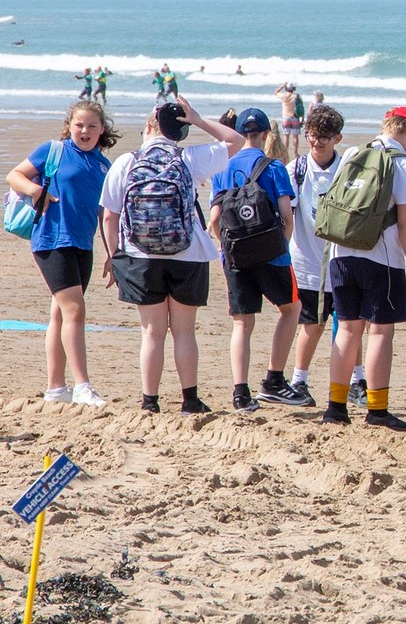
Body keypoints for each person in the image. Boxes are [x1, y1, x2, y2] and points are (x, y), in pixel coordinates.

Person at [97, 99, 238, 413]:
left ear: (149, 126)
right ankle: (190, 400)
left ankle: (150, 401)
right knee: (184, 331)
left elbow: (109, 216)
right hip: (189, 254)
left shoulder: (127, 161)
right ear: (180, 132)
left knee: (152, 332)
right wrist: (199, 120)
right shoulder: (189, 158)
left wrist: (114, 255)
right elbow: (235, 141)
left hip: (140, 255)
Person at [322, 107, 406, 428]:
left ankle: (336, 408)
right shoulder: (404, 165)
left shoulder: (353, 153)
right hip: (381, 258)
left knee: (347, 329)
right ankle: (377, 411)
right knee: (380, 331)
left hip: (340, 254)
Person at [8, 99, 116, 408]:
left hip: (83, 245)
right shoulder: (53, 150)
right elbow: (14, 175)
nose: (85, 131)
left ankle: (56, 388)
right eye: (79, 125)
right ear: (70, 127)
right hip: (52, 240)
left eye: (92, 126)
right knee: (75, 310)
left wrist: (111, 253)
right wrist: (35, 191)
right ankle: (82, 385)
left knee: (60, 313)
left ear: (101, 130)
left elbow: (105, 215)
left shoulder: (103, 165)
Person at [208, 108, 301, 412]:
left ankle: (240, 393)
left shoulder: (223, 166)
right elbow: (287, 216)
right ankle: (274, 380)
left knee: (242, 322)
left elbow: (214, 221)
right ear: (265, 134)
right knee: (291, 309)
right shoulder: (274, 168)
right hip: (272, 254)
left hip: (235, 255)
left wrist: (226, 249)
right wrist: (280, 247)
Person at [281, 102, 348, 409]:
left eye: (324, 136)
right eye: (312, 134)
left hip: (342, 260)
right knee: (313, 324)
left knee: (350, 324)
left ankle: (357, 380)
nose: (316, 141)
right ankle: (299, 380)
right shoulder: (296, 169)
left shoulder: (347, 169)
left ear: (337, 138)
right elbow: (287, 216)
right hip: (306, 262)